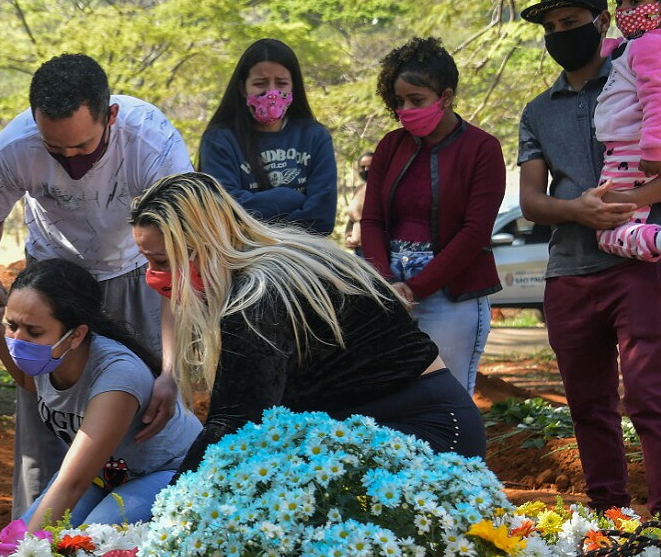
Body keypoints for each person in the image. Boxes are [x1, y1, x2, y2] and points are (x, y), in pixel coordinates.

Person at [130, 172, 486, 475]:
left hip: (424, 433)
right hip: (372, 429)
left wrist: (170, 514)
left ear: (204, 245)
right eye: (147, 261)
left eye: (162, 261)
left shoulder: (258, 297)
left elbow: (236, 424)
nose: (154, 275)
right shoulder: (273, 266)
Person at [0, 53, 191, 517]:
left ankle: (140, 513)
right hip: (53, 277)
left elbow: (176, 265)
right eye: (55, 148)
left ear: (111, 117)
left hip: (138, 271)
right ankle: (30, 536)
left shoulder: (152, 143)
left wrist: (170, 371)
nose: (71, 160)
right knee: (44, 414)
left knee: (145, 399)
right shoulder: (15, 146)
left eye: (84, 146)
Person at [518, 0, 661, 513]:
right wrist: (578, 210)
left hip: (637, 264)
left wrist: (628, 202)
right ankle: (610, 515)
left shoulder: (641, 70)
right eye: (551, 27)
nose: (560, 34)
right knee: (588, 404)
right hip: (569, 272)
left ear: (602, 21)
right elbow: (531, 201)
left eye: (571, 22)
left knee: (649, 396)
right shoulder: (537, 111)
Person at [0, 260, 202, 530]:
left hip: (168, 471)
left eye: (34, 331)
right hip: (105, 475)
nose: (18, 340)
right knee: (28, 536)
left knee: (89, 543)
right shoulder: (51, 356)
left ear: (76, 335)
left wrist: (24, 551)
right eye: (12, 325)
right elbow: (29, 381)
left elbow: (73, 483)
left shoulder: (118, 375)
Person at [360, 37, 506, 395]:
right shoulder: (389, 146)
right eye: (399, 102)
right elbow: (372, 220)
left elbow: (475, 232)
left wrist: (416, 287)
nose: (405, 110)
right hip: (390, 291)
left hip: (451, 294)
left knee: (447, 397)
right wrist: (387, 282)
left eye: (416, 100)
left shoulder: (482, 148)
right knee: (392, 397)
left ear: (446, 96)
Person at [197, 39, 338, 235]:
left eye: (281, 83)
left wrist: (259, 218)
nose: (272, 93)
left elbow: (322, 217)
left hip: (305, 251)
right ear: (242, 88)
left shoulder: (315, 136)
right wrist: (290, 199)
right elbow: (223, 209)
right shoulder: (219, 140)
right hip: (242, 252)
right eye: (260, 84)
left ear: (293, 87)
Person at [593, 0, 661, 260]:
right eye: (620, 1)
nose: (624, 10)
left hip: (630, 150)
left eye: (635, 1)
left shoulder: (648, 44)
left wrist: (654, 150)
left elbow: (656, 96)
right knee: (626, 221)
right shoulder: (635, 45)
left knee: (607, 230)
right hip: (627, 148)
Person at [343, 151, 374, 255]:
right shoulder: (359, 189)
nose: (366, 170)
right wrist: (348, 236)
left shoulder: (385, 189)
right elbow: (352, 218)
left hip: (376, 248)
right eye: (363, 167)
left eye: (370, 166)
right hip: (359, 249)